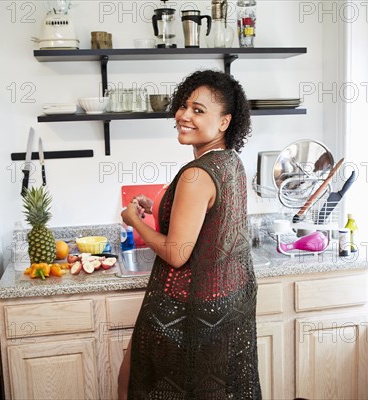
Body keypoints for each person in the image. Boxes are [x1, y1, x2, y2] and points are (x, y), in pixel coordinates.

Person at [119, 69, 261, 399]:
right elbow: (203, 216)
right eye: (184, 106)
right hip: (225, 307)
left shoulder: (197, 174)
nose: (183, 115)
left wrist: (133, 221)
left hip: (186, 313)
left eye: (199, 110)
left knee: (132, 382)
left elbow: (177, 251)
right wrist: (153, 207)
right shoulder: (229, 161)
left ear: (224, 122)